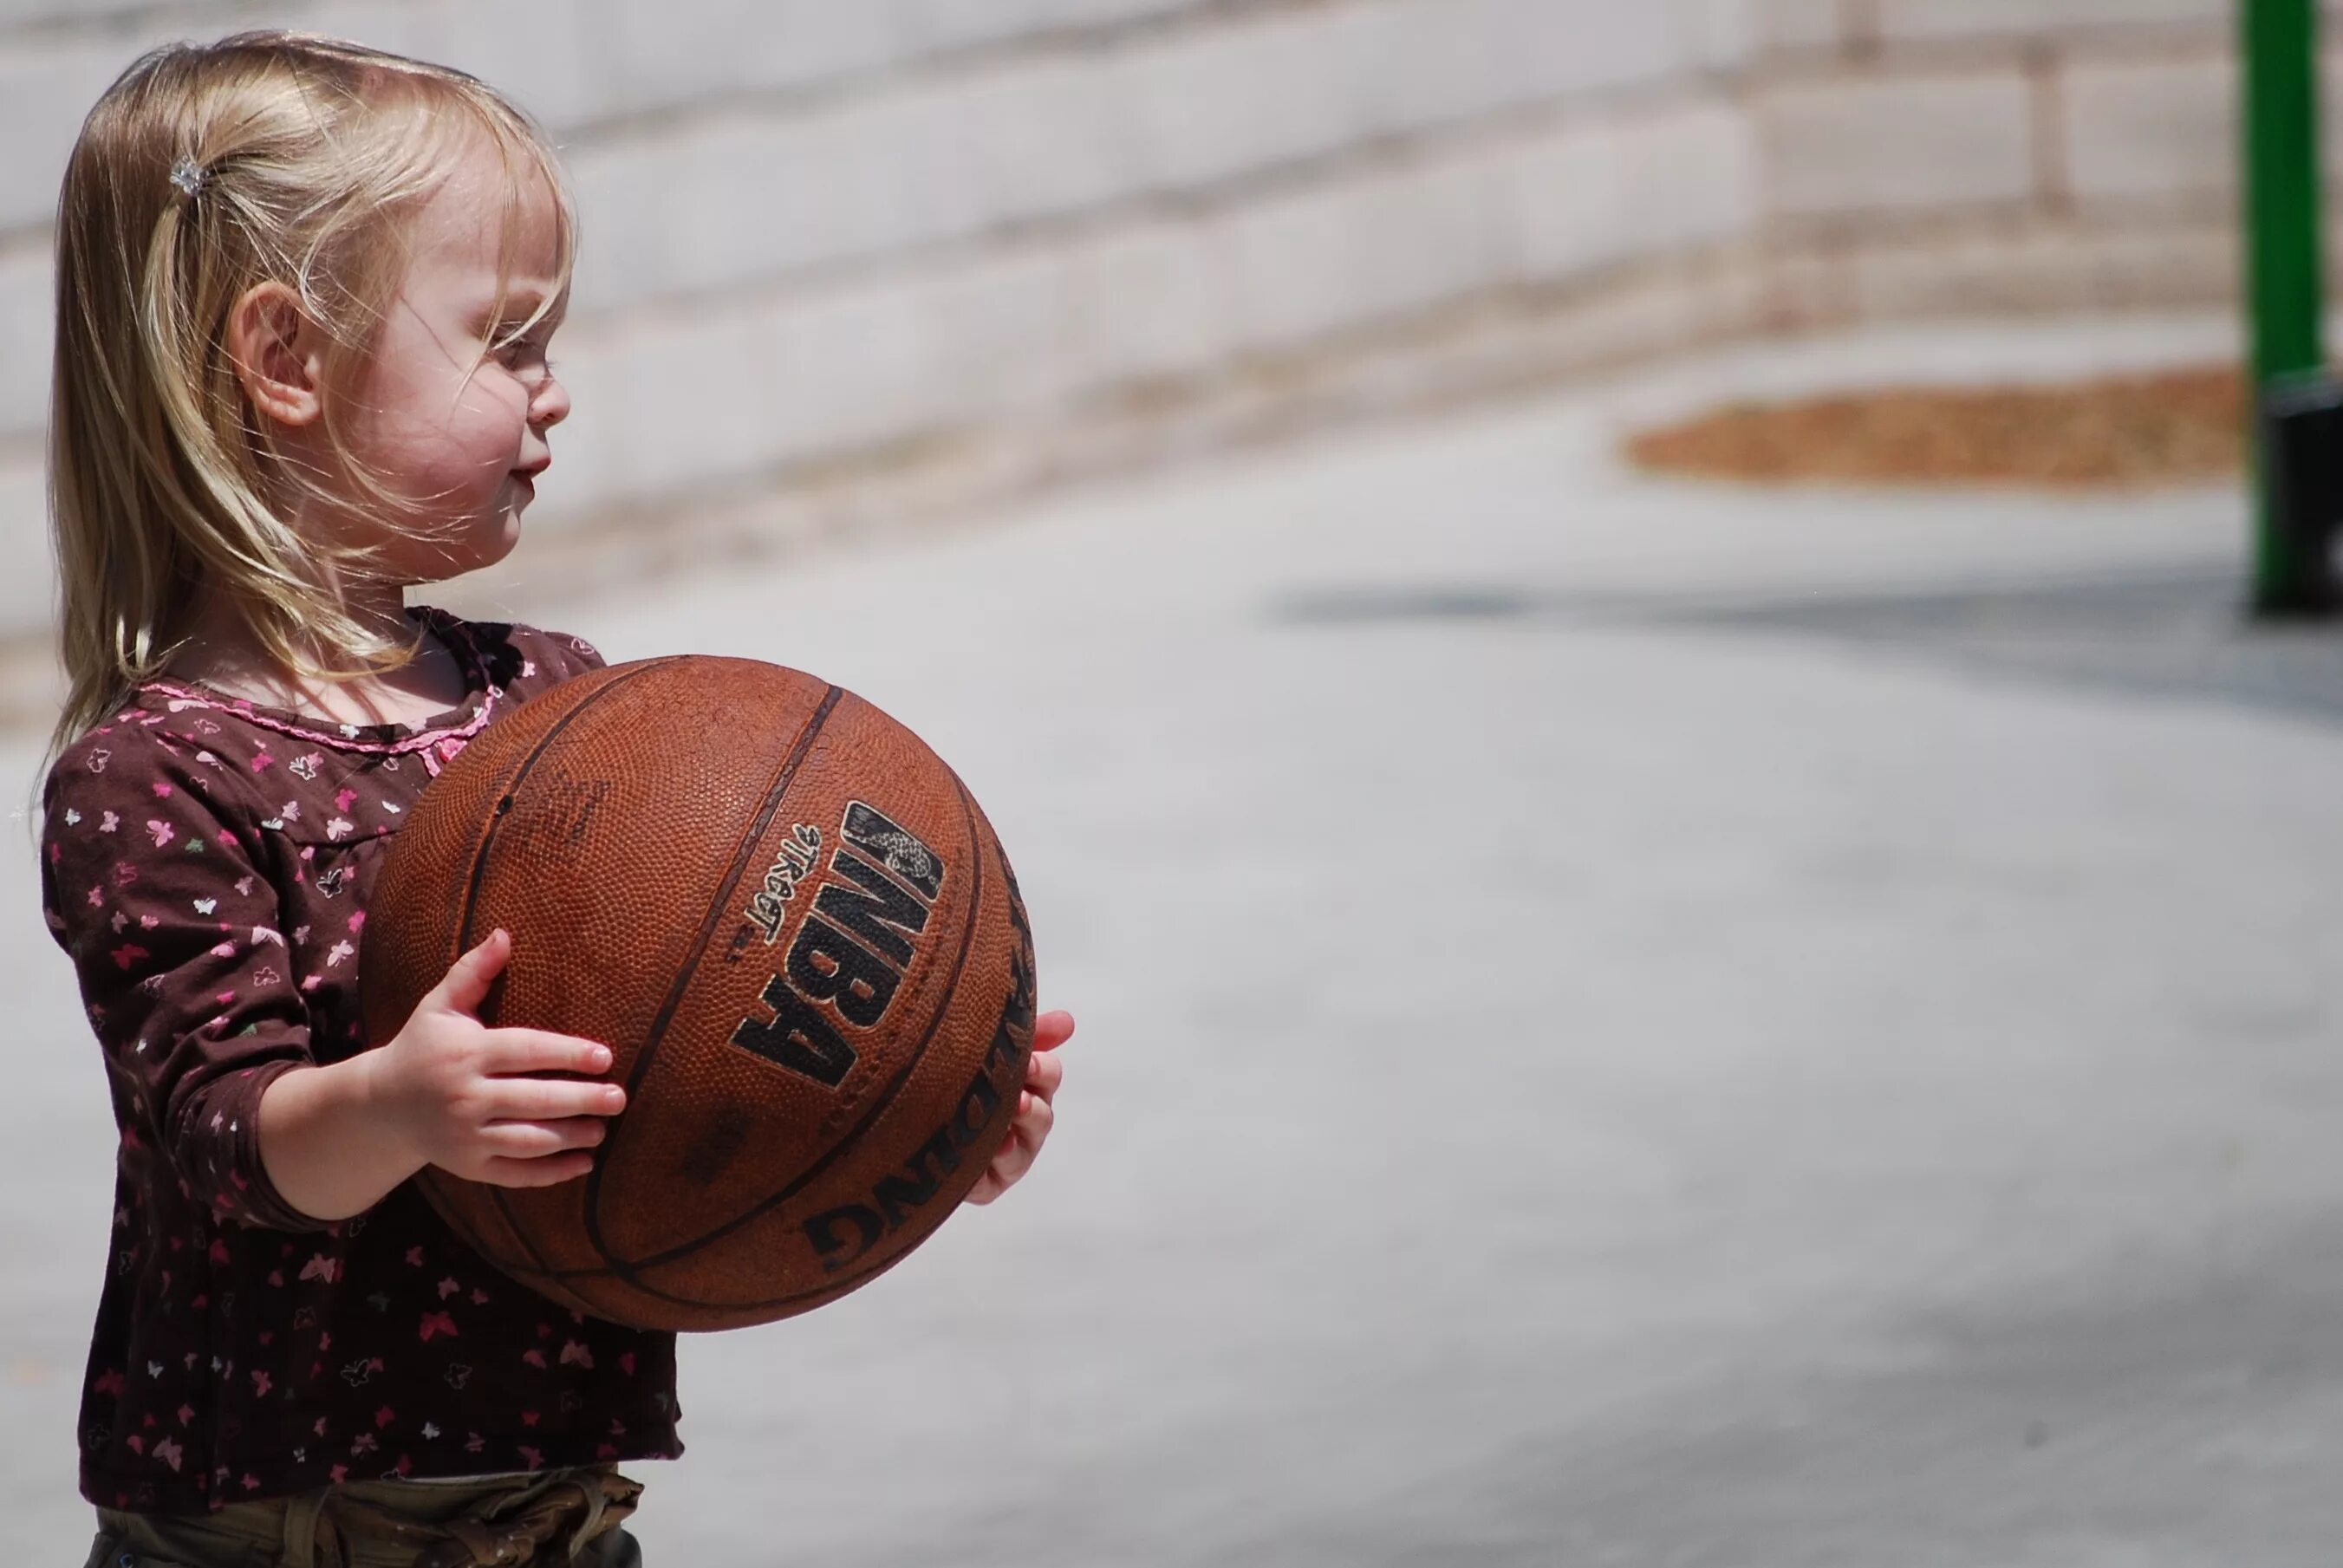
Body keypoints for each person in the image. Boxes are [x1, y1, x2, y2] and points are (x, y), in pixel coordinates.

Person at [37, 31, 1073, 1568]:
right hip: (280, 1524)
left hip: (547, 1513)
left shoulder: (553, 702)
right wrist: (400, 1101)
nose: (555, 391)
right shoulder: (156, 774)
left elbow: (676, 1063)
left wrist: (907, 1098)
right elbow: (226, 1135)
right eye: (508, 338)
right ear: (286, 360)